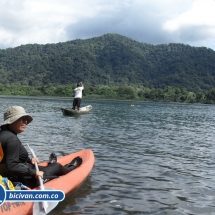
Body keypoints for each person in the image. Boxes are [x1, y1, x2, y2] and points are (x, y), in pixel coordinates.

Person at [0, 106, 82, 188]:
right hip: (23, 180)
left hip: (14, 174)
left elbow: (9, 156)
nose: (25, 122)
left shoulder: (3, 134)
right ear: (12, 121)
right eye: (22, 119)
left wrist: (29, 160)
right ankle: (71, 167)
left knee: (50, 168)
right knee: (57, 166)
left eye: (26, 119)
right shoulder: (12, 139)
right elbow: (12, 166)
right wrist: (33, 173)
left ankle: (51, 165)